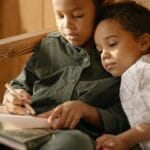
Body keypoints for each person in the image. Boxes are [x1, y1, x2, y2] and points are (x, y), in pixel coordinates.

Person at [2, 0, 129, 150]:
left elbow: (125, 118)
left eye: (78, 15)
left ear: (101, 9)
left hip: (69, 136)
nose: (67, 25)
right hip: (27, 127)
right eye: (60, 15)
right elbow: (20, 84)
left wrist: (85, 110)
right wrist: (13, 96)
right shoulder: (48, 46)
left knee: (75, 142)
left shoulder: (117, 57)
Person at [94, 2, 150, 150]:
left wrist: (123, 140)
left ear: (143, 42)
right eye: (99, 50)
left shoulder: (137, 73)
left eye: (112, 44)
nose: (104, 55)